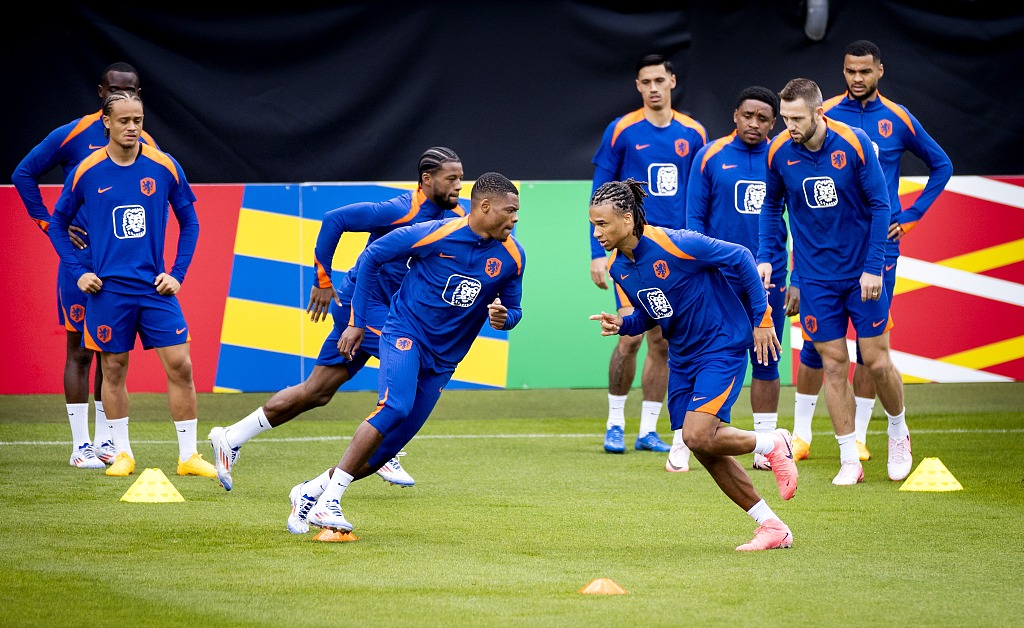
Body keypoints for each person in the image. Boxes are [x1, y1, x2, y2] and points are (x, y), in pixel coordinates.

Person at [207, 147, 467, 492]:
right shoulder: (400, 209)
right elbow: (335, 219)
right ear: (427, 179)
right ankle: (385, 448)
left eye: (461, 178)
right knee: (412, 359)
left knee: (317, 392)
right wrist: (322, 281)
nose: (459, 186)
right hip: (361, 306)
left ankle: (231, 436)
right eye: (452, 178)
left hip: (390, 312)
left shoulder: (457, 215)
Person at [289, 172, 524, 536]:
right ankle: (330, 503)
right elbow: (371, 258)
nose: (516, 218)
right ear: (485, 207)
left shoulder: (513, 257)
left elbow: (514, 311)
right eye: (510, 210)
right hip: (405, 332)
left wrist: (504, 318)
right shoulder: (436, 232)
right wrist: (357, 321)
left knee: (384, 452)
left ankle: (310, 491)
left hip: (444, 361)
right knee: (395, 406)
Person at [588, 179, 797, 551]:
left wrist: (762, 320)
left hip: (721, 346)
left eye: (602, 223)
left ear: (626, 218)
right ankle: (771, 526)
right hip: (683, 359)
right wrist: (625, 324)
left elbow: (741, 258)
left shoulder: (676, 242)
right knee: (702, 446)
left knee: (697, 435)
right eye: (593, 224)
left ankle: (773, 441)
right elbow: (653, 312)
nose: (596, 232)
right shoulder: (620, 268)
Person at [788, 40, 952, 464]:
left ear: (881, 70)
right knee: (818, 348)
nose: (857, 79)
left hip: (876, 251)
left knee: (870, 351)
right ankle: (803, 435)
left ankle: (863, 435)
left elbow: (942, 164)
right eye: (849, 71)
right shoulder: (825, 116)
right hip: (822, 255)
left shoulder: (897, 118)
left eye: (865, 71)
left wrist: (911, 215)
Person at [47, 90, 216, 479]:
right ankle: (121, 453)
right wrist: (78, 271)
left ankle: (189, 456)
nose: (132, 127)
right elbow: (58, 224)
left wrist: (177, 274)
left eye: (138, 120)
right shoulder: (87, 169)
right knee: (114, 370)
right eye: (124, 121)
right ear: (106, 122)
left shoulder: (164, 166)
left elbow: (190, 222)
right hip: (107, 292)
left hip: (155, 290)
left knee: (182, 366)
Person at [757, 78, 911, 486]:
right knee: (833, 364)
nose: (788, 126)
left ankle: (898, 430)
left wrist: (874, 266)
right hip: (815, 278)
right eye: (784, 118)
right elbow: (772, 207)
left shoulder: (855, 143)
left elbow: (881, 205)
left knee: (876, 361)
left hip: (862, 271)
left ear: (818, 112)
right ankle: (849, 458)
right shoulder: (778, 153)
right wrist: (767, 258)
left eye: (795, 118)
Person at [12, 62, 159, 469]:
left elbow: (158, 188)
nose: (119, 96)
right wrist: (47, 222)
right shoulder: (73, 134)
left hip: (121, 264)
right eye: (112, 90)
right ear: (100, 92)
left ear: (138, 92)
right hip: (80, 261)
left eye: (128, 91)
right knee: (79, 349)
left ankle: (107, 442)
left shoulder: (142, 138)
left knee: (110, 351)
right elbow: (24, 172)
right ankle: (80, 446)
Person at [587, 53, 707, 461]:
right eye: (645, 82)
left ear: (672, 81)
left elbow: (700, 193)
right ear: (637, 86)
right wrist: (596, 252)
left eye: (660, 79)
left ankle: (648, 430)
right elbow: (599, 194)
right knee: (631, 334)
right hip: (629, 253)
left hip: (673, 255)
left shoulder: (693, 133)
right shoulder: (621, 130)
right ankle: (615, 423)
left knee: (663, 342)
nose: (653, 87)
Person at [686, 86, 790, 473]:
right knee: (716, 356)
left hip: (768, 277)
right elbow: (694, 221)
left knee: (767, 359)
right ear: (735, 115)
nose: (754, 124)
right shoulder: (710, 155)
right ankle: (713, 434)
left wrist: (791, 277)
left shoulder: (782, 158)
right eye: (748, 115)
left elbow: (799, 221)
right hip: (718, 280)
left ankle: (766, 445)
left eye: (763, 119)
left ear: (773, 123)